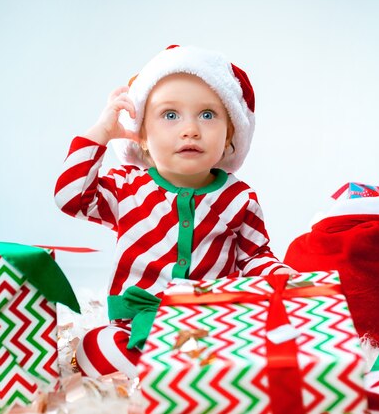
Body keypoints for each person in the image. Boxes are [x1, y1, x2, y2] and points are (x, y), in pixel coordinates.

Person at [54, 45, 294, 378]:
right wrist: (101, 133)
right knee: (96, 348)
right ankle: (173, 376)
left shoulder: (238, 197)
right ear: (142, 138)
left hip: (210, 324)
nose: (190, 129)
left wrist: (280, 275)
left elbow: (254, 257)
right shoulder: (127, 187)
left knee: (256, 353)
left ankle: (189, 375)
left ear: (229, 137)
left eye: (208, 115)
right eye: (170, 115)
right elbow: (70, 197)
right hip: (136, 323)